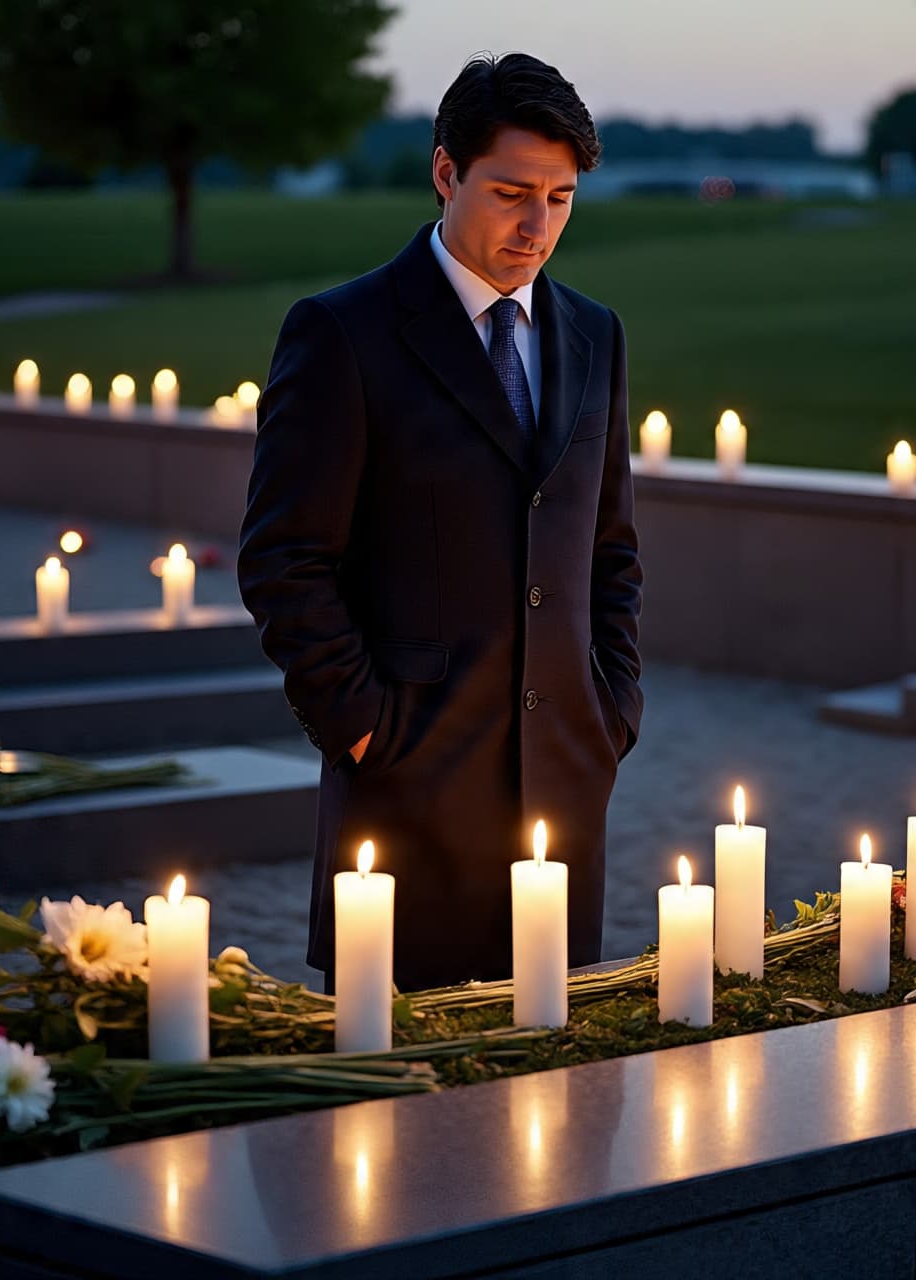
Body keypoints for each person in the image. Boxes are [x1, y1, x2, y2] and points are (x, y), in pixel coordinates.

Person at [237, 52, 643, 992]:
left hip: (566, 782)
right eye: (510, 192)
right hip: (405, 788)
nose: (537, 226)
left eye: (562, 198)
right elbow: (284, 558)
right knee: (397, 1112)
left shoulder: (597, 334)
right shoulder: (342, 332)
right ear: (446, 172)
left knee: (549, 1099)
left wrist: (611, 707)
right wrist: (365, 726)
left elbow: (610, 545)